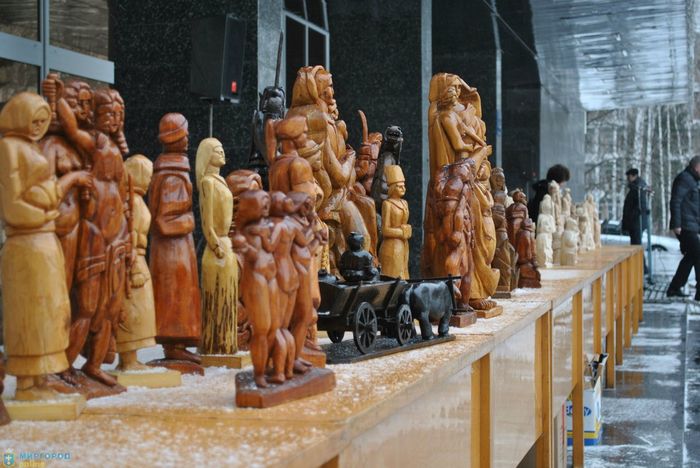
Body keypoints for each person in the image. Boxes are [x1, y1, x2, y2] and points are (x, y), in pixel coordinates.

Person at [667, 156, 700, 299]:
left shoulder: (693, 180)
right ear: (697, 167)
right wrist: (676, 224)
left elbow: (693, 206)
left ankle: (674, 288)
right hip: (684, 226)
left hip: (690, 225)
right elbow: (675, 201)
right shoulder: (684, 179)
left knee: (691, 257)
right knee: (697, 254)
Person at [621, 168, 650, 276]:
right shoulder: (636, 187)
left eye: (629, 177)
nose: (628, 179)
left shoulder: (638, 188)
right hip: (635, 222)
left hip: (636, 222)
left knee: (636, 245)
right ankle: (640, 266)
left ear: (634, 176)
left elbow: (641, 206)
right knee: (635, 245)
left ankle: (642, 267)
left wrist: (632, 218)